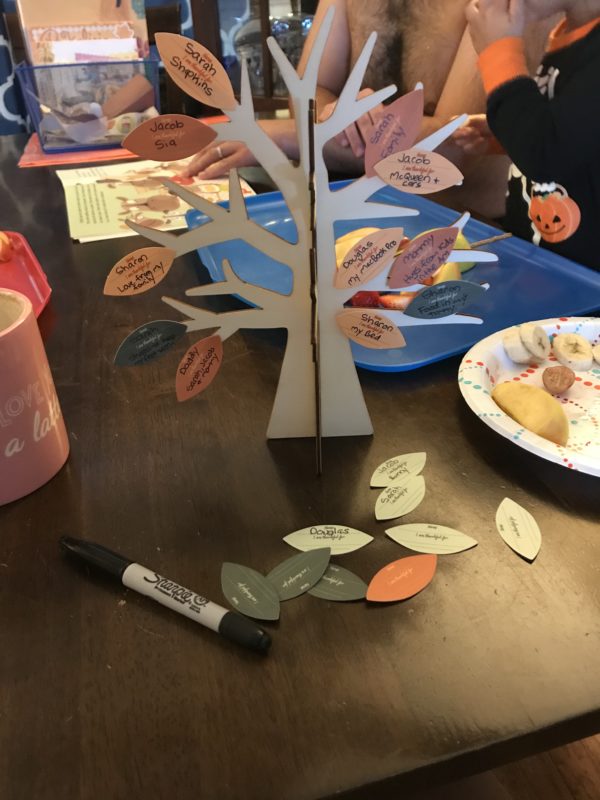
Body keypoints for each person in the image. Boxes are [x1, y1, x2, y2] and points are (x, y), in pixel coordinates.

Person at [182, 0, 553, 221]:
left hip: (463, 228)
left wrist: (294, 137)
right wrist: (339, 117)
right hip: (348, 207)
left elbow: (452, 148)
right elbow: (309, 90)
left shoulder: (502, 9)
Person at [453, 0, 600, 269]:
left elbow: (547, 154)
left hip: (584, 280)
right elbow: (572, 135)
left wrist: (498, 53)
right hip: (538, 259)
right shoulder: (574, 34)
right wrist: (507, 133)